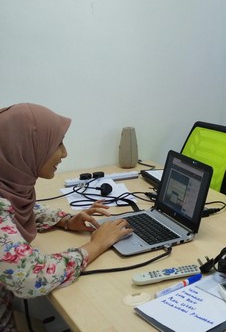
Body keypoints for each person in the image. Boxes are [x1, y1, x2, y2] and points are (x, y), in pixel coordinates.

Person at [0, 103, 133, 331]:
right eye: (57, 144)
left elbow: (18, 210)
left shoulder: (9, 185)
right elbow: (31, 277)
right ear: (23, 147)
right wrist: (96, 245)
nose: (64, 153)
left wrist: (65, 220)